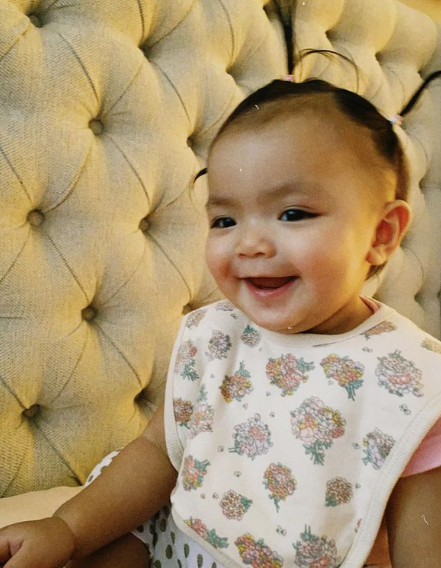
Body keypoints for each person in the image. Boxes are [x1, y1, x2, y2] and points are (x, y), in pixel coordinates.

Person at [1, 72, 441, 568]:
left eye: (293, 214)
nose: (249, 244)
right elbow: (159, 453)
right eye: (225, 220)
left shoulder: (411, 383)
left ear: (381, 234)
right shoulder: (216, 335)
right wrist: (66, 528)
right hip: (178, 541)